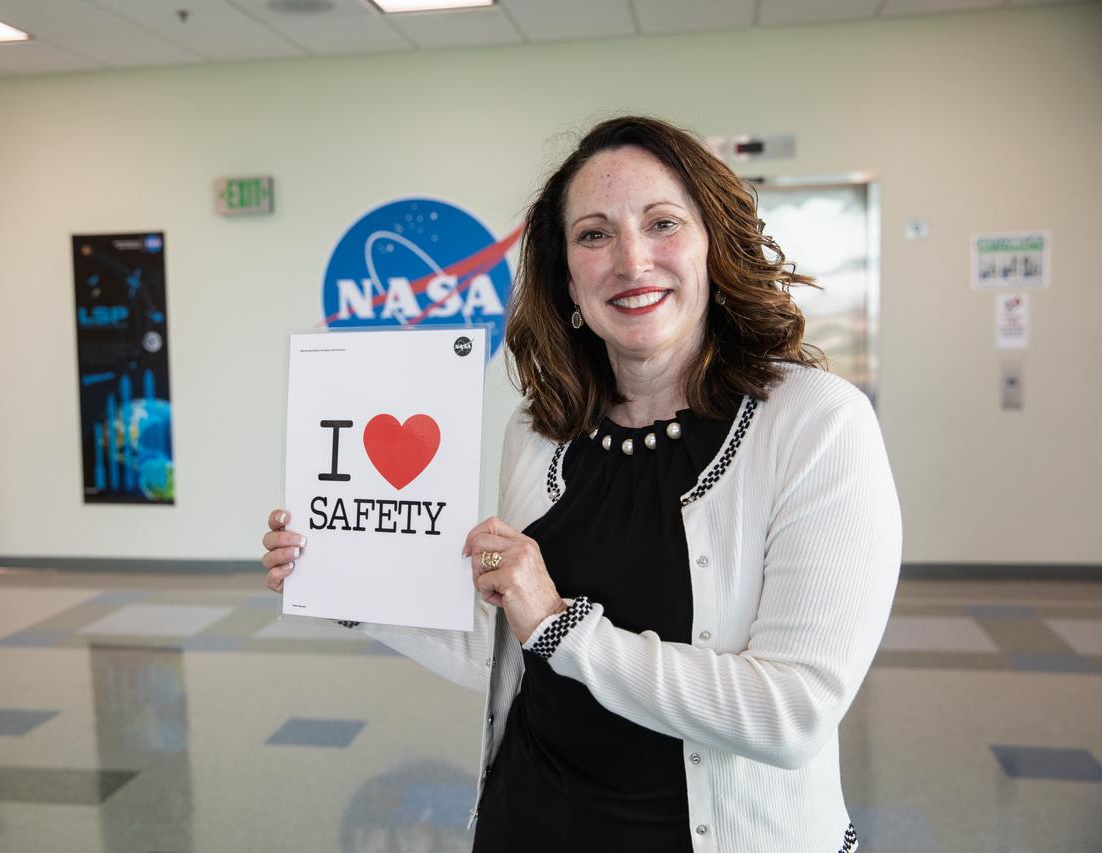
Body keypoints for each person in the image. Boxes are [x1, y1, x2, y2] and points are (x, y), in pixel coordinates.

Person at [262, 116, 901, 852]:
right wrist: (345, 577)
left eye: (663, 223)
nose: (632, 260)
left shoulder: (816, 425)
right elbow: (514, 646)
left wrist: (564, 625)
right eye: (594, 235)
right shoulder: (539, 433)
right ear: (567, 277)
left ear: (714, 247)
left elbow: (792, 712)